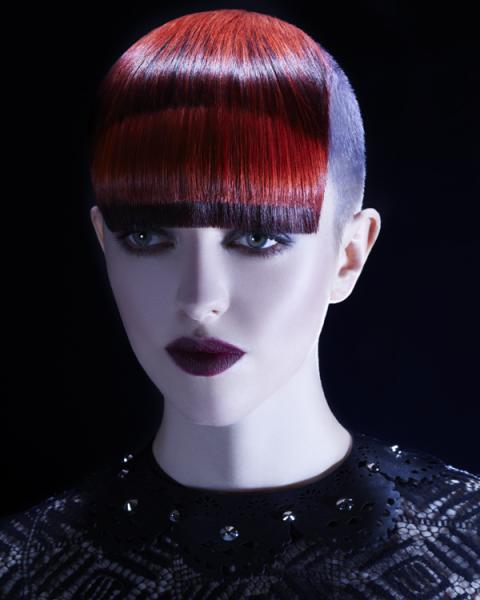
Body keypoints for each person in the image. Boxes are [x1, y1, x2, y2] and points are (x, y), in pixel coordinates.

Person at [1, 8, 479, 599]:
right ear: (105, 245)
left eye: (257, 238)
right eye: (146, 237)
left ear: (348, 255)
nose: (200, 300)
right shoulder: (20, 570)